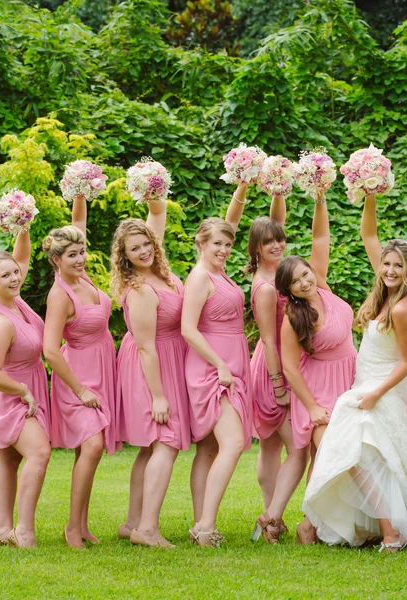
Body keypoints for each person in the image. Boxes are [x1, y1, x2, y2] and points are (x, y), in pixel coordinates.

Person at [302, 193, 407, 551]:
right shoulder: (383, 299)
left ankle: (392, 531)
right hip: (363, 386)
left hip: (381, 391)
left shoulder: (403, 309)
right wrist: (369, 194)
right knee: (364, 458)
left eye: (398, 266)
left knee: (360, 455)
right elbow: (369, 235)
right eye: (387, 265)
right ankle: (381, 525)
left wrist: (376, 394)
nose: (391, 271)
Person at [277, 189, 357, 544]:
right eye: (297, 281)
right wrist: (311, 406)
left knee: (355, 453)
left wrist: (321, 198)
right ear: (290, 289)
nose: (306, 281)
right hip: (319, 388)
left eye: (306, 274)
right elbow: (291, 368)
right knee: (326, 453)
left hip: (352, 378)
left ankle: (344, 521)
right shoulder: (293, 317)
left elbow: (320, 237)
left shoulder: (322, 286)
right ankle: (309, 523)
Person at [42, 192, 120, 549]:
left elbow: (78, 227)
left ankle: (83, 525)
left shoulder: (84, 278)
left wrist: (79, 193)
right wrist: (80, 390)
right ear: (56, 260)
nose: (80, 258)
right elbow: (49, 351)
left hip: (103, 367)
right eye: (72, 255)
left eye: (82, 252)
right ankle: (72, 528)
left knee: (89, 451)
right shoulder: (59, 295)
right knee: (92, 446)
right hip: (76, 376)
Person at [113, 198, 189, 547]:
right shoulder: (141, 289)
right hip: (150, 362)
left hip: (169, 355)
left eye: (146, 243)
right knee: (167, 440)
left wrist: (153, 193)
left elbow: (158, 213)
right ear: (124, 256)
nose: (143, 250)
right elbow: (145, 346)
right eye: (134, 248)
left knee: (150, 447)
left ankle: (132, 523)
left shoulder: (160, 273)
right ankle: (148, 529)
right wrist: (158, 395)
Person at [182, 184, 252, 547]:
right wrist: (220, 365)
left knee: (209, 448)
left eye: (227, 244)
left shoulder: (221, 274)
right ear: (201, 244)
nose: (224, 250)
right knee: (234, 441)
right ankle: (206, 526)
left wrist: (243, 187)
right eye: (217, 244)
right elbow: (187, 329)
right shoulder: (199, 278)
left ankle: (199, 522)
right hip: (211, 367)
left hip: (233, 361)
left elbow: (232, 220)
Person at [0, 226, 51, 549]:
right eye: (5, 276)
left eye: (15, 273)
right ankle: (24, 530)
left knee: (7, 460)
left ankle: (2, 529)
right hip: (9, 393)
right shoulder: (1, 321)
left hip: (21, 386)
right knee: (39, 453)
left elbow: (21, 258)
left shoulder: (13, 300)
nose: (15, 278)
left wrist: (23, 227)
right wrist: (22, 391)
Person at [246, 194, 309, 543]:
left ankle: (270, 517)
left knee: (270, 447)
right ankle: (272, 516)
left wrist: (277, 191)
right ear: (256, 247)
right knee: (297, 447)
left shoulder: (277, 272)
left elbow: (275, 220)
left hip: (278, 365)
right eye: (268, 242)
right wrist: (279, 385)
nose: (276, 245)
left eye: (279, 240)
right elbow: (270, 340)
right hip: (274, 369)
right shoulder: (267, 286)